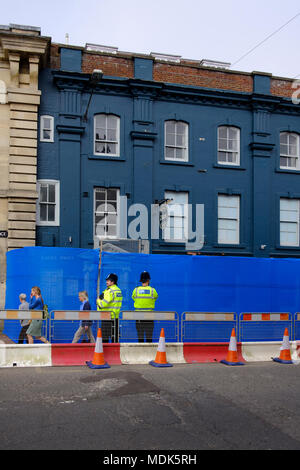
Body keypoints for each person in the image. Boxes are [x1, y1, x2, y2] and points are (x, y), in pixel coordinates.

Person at [132, 271, 158, 343]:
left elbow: (133, 298)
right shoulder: (153, 291)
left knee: (140, 337)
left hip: (138, 317)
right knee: (149, 337)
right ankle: (149, 353)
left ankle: (140, 353)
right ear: (148, 280)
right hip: (149, 317)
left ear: (141, 280)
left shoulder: (136, 290)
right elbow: (155, 298)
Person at [97, 273, 123, 343]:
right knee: (115, 338)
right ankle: (115, 353)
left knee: (105, 339)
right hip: (116, 317)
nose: (106, 282)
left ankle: (106, 354)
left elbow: (103, 304)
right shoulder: (118, 290)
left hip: (107, 317)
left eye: (108, 280)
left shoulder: (110, 291)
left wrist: (98, 300)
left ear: (113, 282)